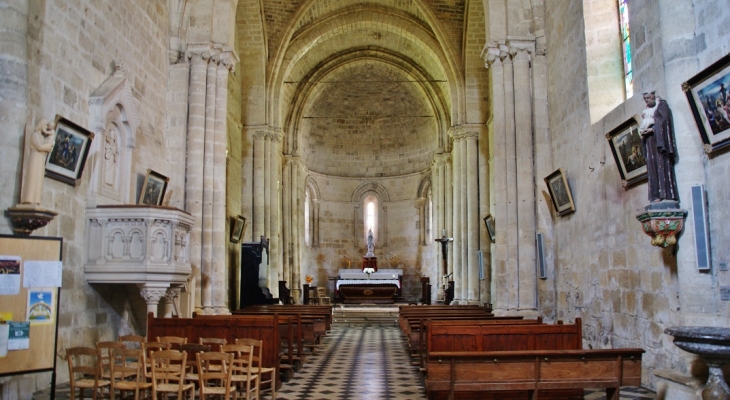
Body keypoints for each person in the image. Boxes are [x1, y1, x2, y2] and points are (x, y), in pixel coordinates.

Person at [639, 91, 678, 203]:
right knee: (652, 166)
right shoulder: (647, 111)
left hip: (660, 141)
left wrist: (652, 129)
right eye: (644, 99)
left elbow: (664, 121)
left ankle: (666, 193)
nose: (646, 100)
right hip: (649, 140)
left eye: (648, 98)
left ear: (653, 96)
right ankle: (656, 194)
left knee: (661, 164)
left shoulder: (661, 105)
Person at [21, 119, 56, 205]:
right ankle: (28, 199)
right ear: (40, 125)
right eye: (44, 124)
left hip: (41, 160)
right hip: (35, 158)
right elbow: (40, 147)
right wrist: (49, 145)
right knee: (32, 178)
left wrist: (50, 146)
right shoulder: (35, 135)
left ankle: (36, 200)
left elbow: (47, 148)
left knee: (39, 179)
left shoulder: (42, 137)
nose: (46, 127)